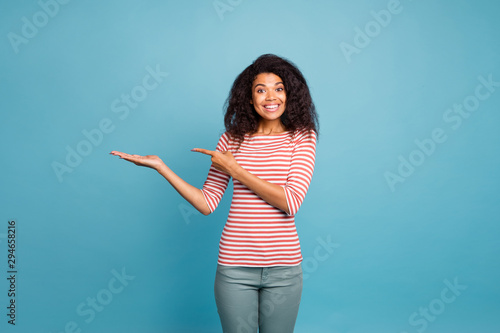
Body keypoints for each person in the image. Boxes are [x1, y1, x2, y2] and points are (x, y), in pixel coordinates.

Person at [110, 54, 319, 333]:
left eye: (278, 88)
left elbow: (291, 202)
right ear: (249, 98)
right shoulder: (231, 139)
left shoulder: (302, 137)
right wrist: (161, 167)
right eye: (261, 89)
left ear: (289, 93)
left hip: (284, 270)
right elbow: (207, 203)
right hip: (234, 269)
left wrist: (236, 170)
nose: (271, 96)